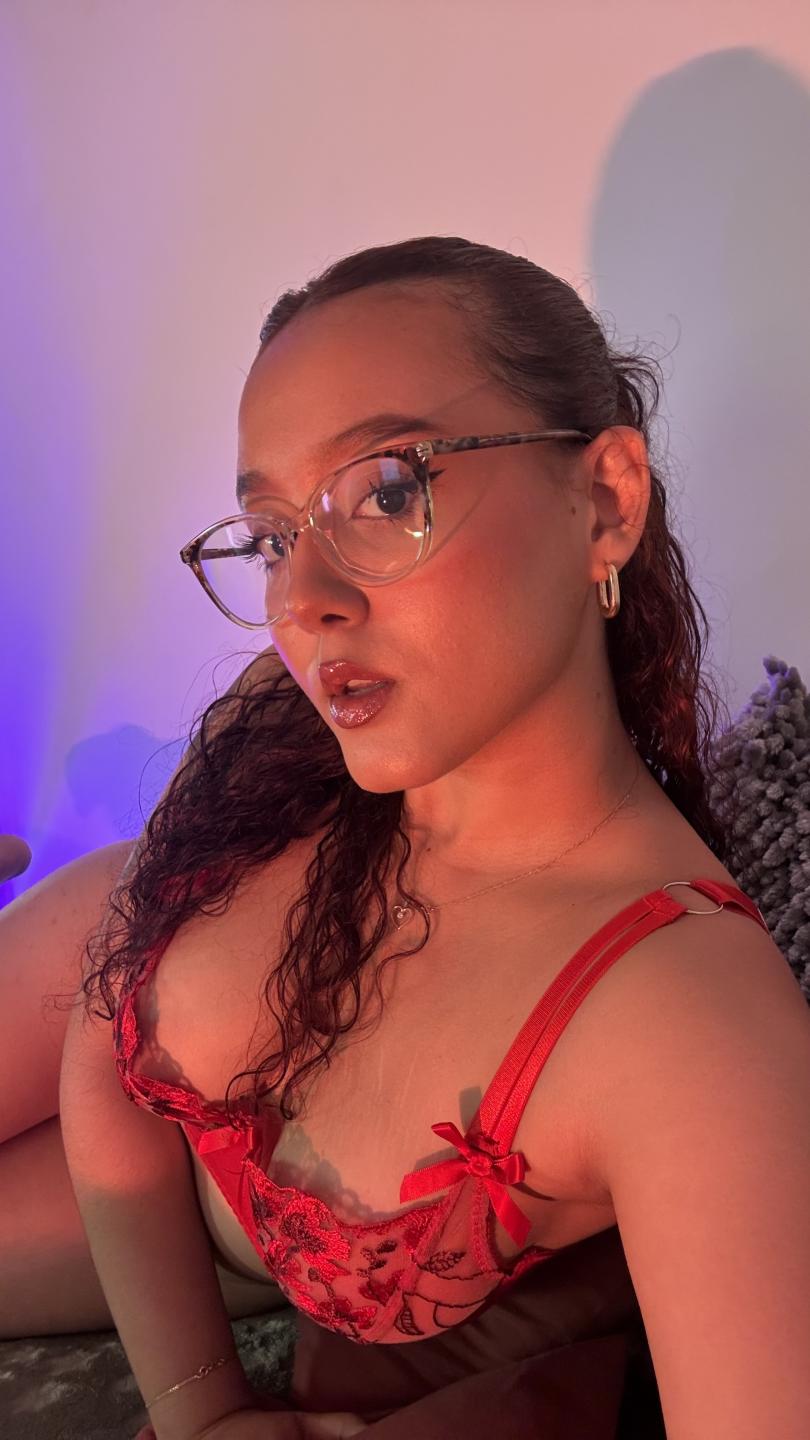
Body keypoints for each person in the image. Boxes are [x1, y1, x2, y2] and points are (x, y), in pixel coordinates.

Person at [2, 236, 808, 1440]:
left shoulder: (686, 1023)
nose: (299, 600)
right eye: (273, 533)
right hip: (80, 988)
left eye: (387, 491)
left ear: (604, 501)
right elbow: (105, 1015)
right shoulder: (283, 738)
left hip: (186, 1219)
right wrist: (197, 1403)